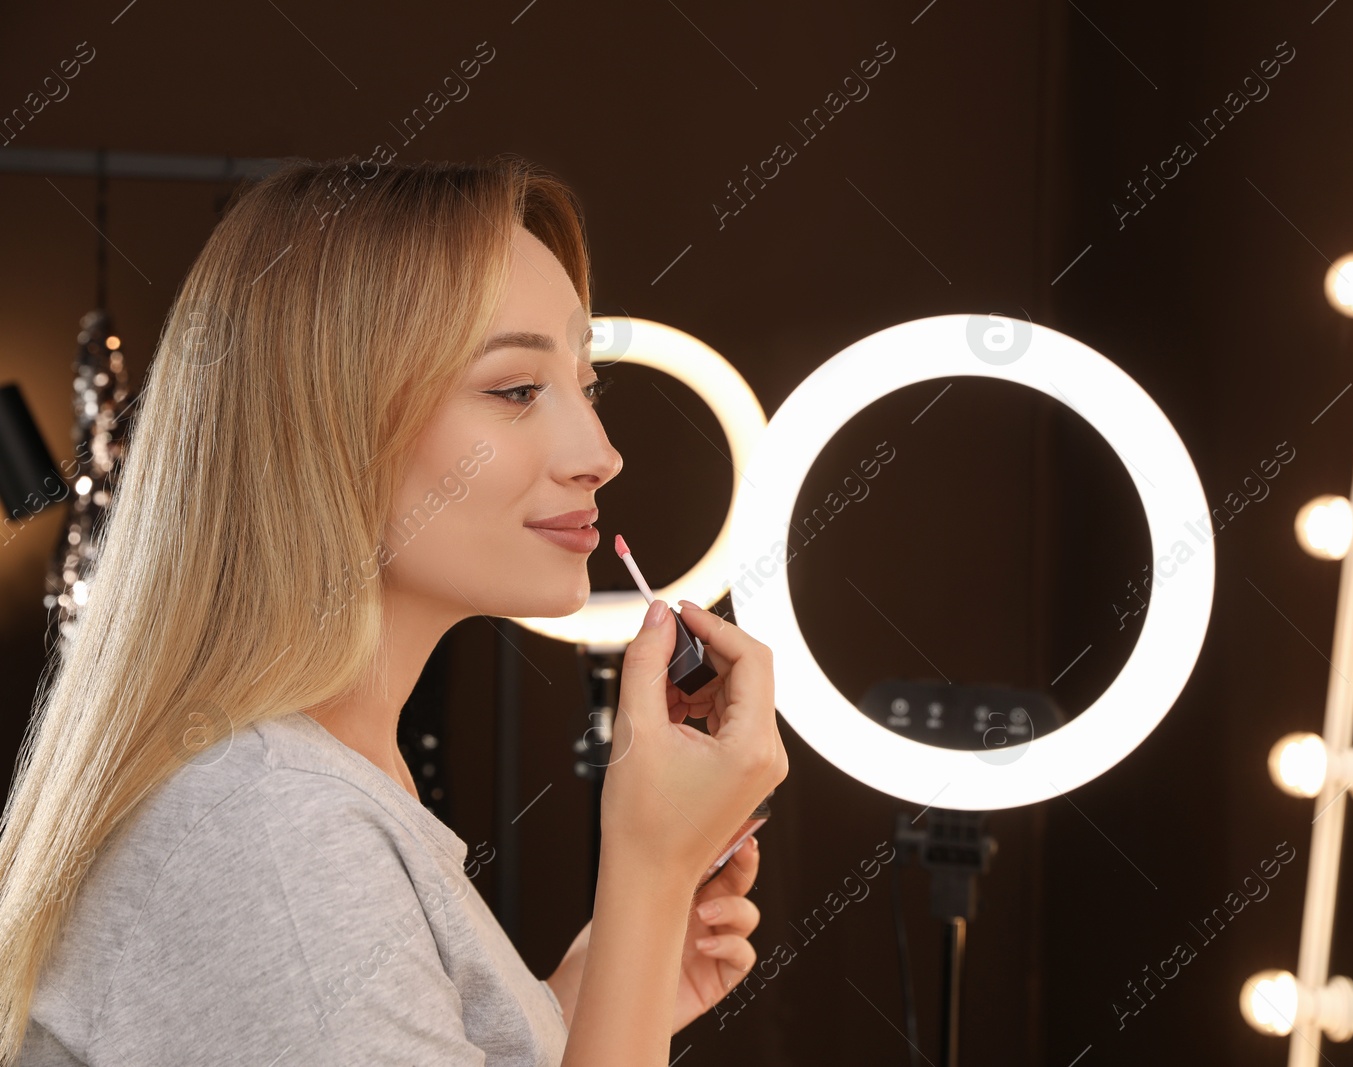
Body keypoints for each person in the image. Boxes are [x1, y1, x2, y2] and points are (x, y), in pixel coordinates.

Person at [0, 155, 788, 1065]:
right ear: (324, 422)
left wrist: (605, 986)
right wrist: (648, 881)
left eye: (587, 386)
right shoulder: (278, 826)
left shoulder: (318, 786)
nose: (600, 452)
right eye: (516, 390)